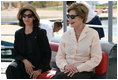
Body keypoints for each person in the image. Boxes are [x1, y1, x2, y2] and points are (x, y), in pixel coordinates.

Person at [52, 3, 102, 79]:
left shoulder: (93, 34)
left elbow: (96, 59)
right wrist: (65, 66)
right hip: (65, 71)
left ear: (82, 17)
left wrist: (78, 69)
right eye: (68, 16)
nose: (69, 19)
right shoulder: (66, 35)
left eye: (72, 17)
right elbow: (59, 57)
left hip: (84, 72)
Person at [6, 4, 51, 79]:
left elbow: (47, 53)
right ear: (21, 17)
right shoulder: (18, 33)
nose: (27, 18)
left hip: (38, 65)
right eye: (24, 16)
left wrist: (40, 70)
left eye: (29, 16)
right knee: (11, 69)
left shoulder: (41, 33)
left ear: (34, 17)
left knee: (30, 74)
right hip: (23, 63)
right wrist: (25, 61)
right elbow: (16, 53)